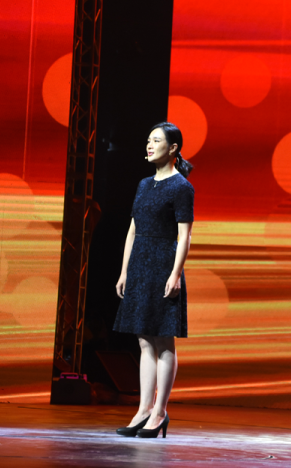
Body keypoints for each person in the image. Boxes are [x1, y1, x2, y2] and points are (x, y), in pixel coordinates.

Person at [113, 122, 195, 439]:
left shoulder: (181, 187)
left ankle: (160, 411)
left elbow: (185, 236)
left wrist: (175, 274)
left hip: (163, 265)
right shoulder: (144, 184)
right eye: (148, 140)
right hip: (140, 265)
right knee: (144, 340)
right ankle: (143, 409)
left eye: (156, 140)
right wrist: (125, 271)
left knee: (163, 340)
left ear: (173, 148)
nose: (149, 145)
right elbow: (133, 230)